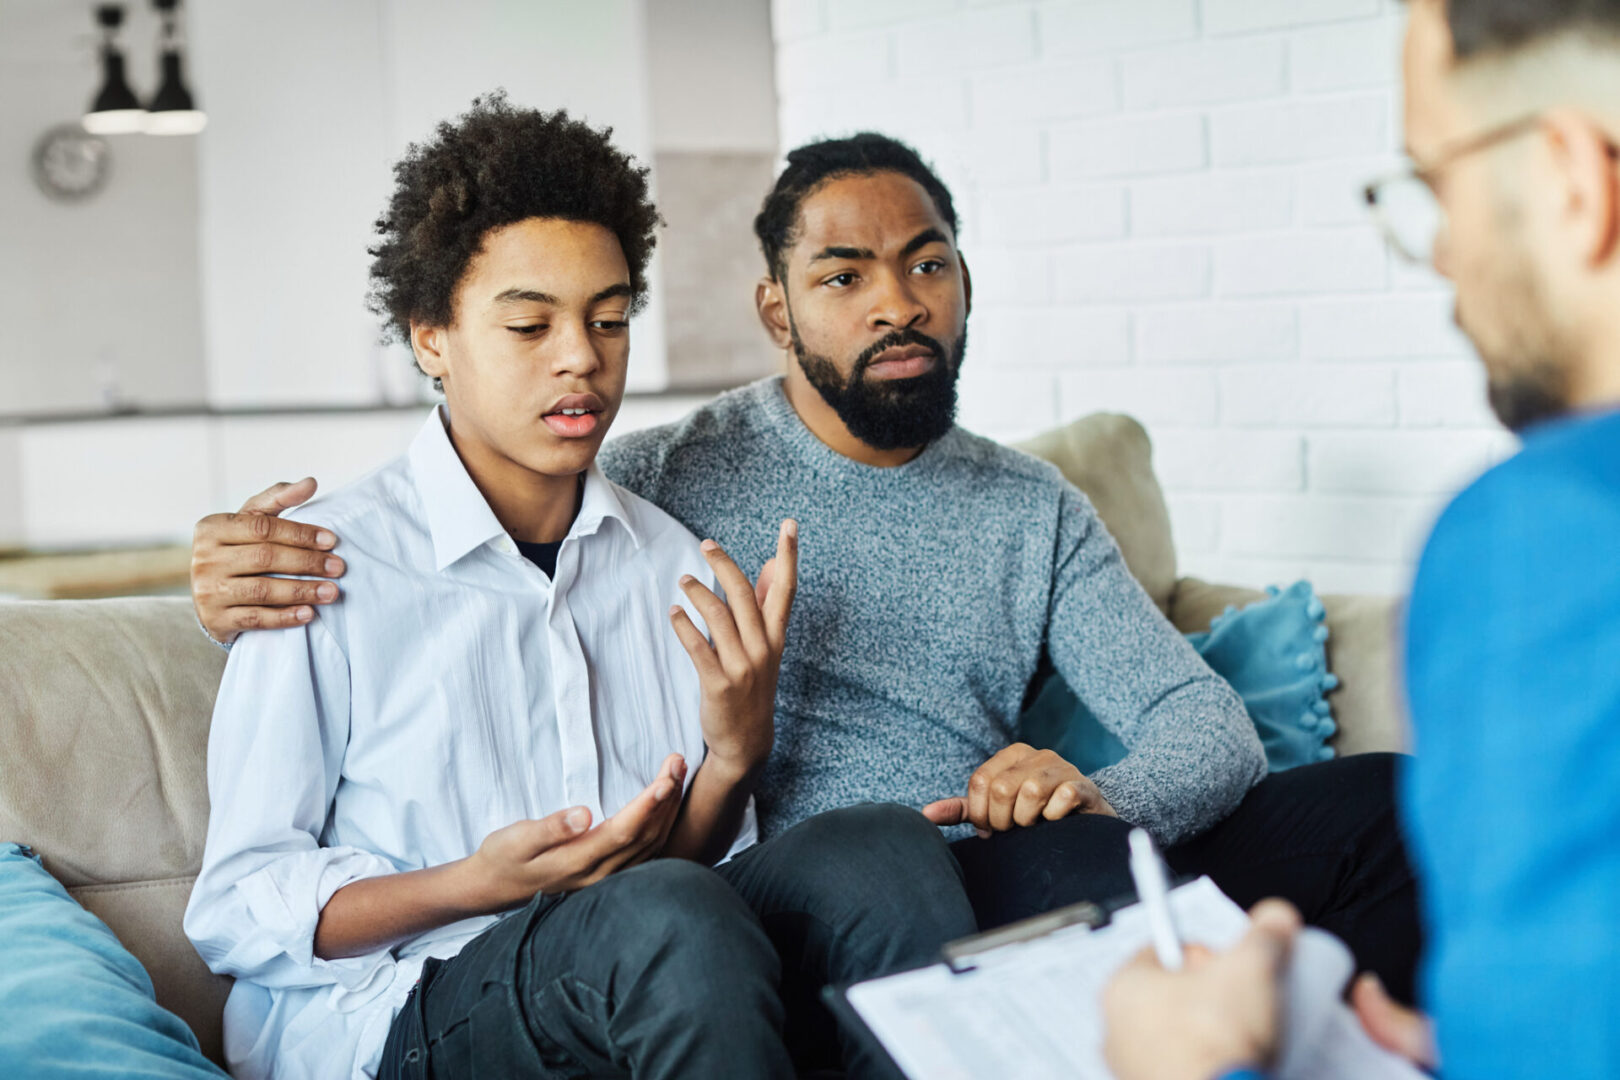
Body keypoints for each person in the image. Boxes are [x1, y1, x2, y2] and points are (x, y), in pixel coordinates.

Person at [187, 132, 1418, 998]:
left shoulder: (1028, 505)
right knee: (1058, 875)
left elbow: (1207, 724)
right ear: (777, 312)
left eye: (926, 264)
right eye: (844, 276)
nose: (898, 304)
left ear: (966, 284)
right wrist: (223, 571)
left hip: (1017, 846)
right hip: (817, 880)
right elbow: (490, 496)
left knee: (1390, 808)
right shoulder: (667, 479)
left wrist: (1092, 790)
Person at [182, 94, 978, 1080]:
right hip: (397, 1013)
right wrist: (470, 884)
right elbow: (235, 911)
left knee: (882, 851)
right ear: (430, 335)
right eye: (529, 325)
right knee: (657, 917)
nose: (581, 359)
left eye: (609, 320)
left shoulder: (671, 566)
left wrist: (731, 758)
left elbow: (694, 896)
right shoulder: (318, 565)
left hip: (631, 965)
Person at [1102, 0, 1620, 1077]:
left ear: (1572, 178)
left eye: (1438, 185)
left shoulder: (1545, 537)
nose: (1442, 259)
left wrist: (1192, 1069)